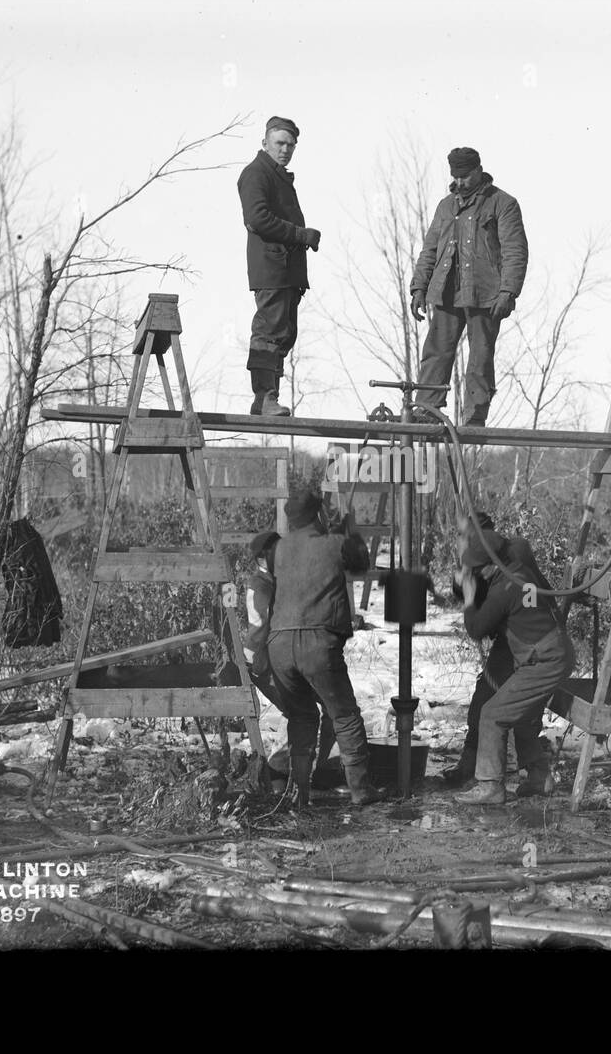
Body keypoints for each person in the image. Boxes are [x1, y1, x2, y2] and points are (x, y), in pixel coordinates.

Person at [266, 491, 382, 806]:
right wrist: (349, 532)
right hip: (315, 644)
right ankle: (360, 791)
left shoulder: (278, 549)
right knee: (344, 716)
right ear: (319, 515)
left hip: (278, 644)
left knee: (302, 718)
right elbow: (361, 564)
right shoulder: (333, 544)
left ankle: (300, 794)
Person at [453, 525, 574, 805]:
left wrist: (470, 596)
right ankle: (539, 777)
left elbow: (476, 628)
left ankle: (490, 785)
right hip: (551, 653)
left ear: (492, 566)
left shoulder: (507, 587)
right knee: (522, 715)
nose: (476, 573)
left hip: (544, 661)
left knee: (492, 714)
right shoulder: (520, 572)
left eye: (478, 568)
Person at [409, 147, 528, 427]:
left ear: (478, 171)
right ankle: (427, 408)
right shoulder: (445, 206)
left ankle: (475, 414)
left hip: (485, 294)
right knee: (436, 350)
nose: (460, 182)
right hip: (447, 291)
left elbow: (515, 250)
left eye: (465, 176)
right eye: (455, 177)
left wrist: (508, 291)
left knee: (480, 355)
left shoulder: (503, 203)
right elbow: (430, 249)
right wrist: (419, 287)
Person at [237, 116, 322, 417]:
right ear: (265, 143)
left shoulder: (278, 176)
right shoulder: (256, 173)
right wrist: (301, 235)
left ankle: (266, 399)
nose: (285, 149)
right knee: (270, 331)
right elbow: (257, 219)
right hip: (272, 268)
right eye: (280, 143)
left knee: (283, 333)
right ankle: (265, 397)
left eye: (291, 145)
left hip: (286, 271)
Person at [244, 530, 336, 797]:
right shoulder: (260, 585)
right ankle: (294, 779)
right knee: (305, 713)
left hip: (294, 659)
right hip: (269, 663)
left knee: (327, 709)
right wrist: (253, 661)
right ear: (264, 557)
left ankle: (308, 771)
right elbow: (259, 627)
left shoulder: (280, 580)